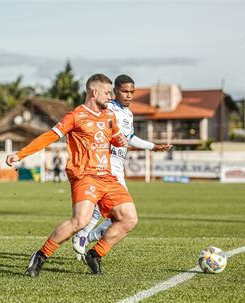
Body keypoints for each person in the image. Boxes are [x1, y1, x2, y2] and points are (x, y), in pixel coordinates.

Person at [6, 74, 135, 277]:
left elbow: (117, 139)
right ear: (94, 92)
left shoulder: (109, 116)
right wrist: (20, 154)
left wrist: (124, 139)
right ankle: (40, 256)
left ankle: (95, 254)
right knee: (80, 222)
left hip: (108, 178)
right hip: (86, 176)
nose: (110, 96)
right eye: (107, 92)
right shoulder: (75, 116)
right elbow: (49, 136)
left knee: (129, 218)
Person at [72, 74, 172, 259]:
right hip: (105, 162)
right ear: (115, 91)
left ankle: (87, 236)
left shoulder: (128, 113)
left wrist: (153, 146)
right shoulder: (106, 107)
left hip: (119, 165)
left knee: (121, 215)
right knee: (114, 209)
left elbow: (129, 138)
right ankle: (83, 235)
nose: (129, 96)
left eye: (132, 92)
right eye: (125, 91)